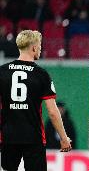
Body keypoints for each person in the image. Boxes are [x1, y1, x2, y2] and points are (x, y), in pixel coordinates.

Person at [0, 30, 72, 171]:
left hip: (8, 136)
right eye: (39, 45)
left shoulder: (2, 71)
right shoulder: (41, 74)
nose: (40, 49)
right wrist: (64, 138)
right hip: (33, 137)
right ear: (33, 47)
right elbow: (52, 111)